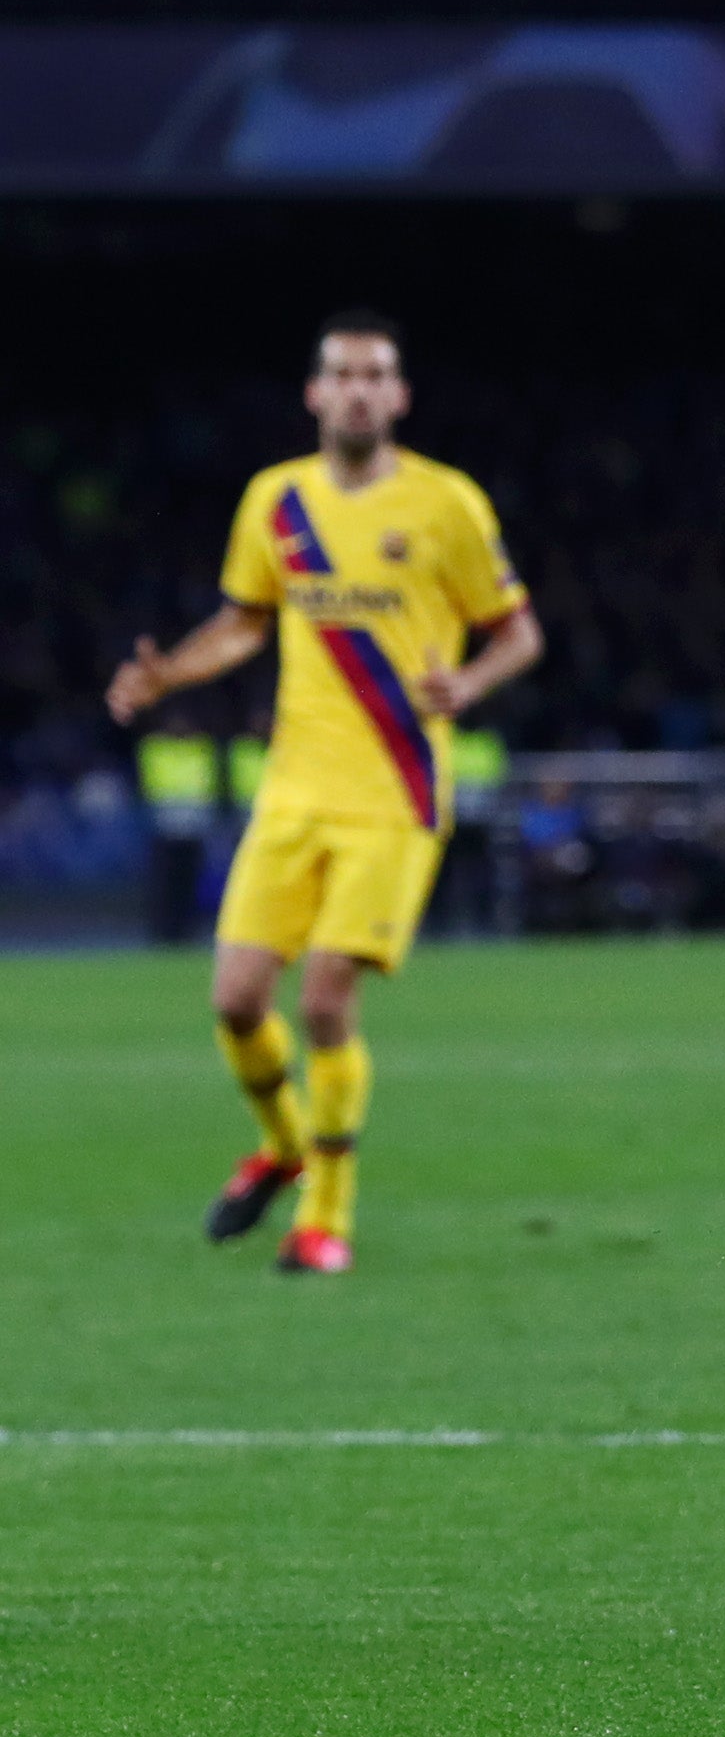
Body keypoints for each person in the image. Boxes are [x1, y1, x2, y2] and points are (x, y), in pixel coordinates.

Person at [106, 311, 542, 1274]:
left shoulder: (446, 505)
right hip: (293, 789)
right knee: (234, 998)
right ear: (314, 394)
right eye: (340, 373)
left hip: (394, 793)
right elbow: (243, 621)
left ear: (399, 396)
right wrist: (171, 674)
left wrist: (466, 687)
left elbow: (519, 632)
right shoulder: (278, 502)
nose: (356, 389)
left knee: (326, 1001)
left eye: (374, 374)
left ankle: (325, 1218)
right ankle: (285, 1146)